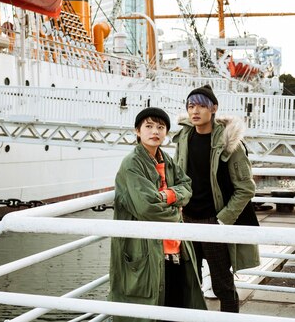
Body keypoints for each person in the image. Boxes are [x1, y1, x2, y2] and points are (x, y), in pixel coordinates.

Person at [109, 107, 207, 322]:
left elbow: (187, 186)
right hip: (146, 250)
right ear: (137, 131)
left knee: (174, 306)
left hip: (174, 249)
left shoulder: (166, 160)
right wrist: (176, 208)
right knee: (149, 311)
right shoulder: (132, 164)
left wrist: (168, 195)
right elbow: (147, 208)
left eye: (161, 127)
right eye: (149, 126)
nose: (155, 131)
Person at [172, 85, 260, 313]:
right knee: (189, 282)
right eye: (191, 106)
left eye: (202, 105)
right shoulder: (183, 137)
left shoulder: (230, 143)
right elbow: (176, 176)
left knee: (222, 284)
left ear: (214, 109)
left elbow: (246, 188)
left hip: (214, 222)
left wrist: (222, 220)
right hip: (187, 219)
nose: (195, 111)